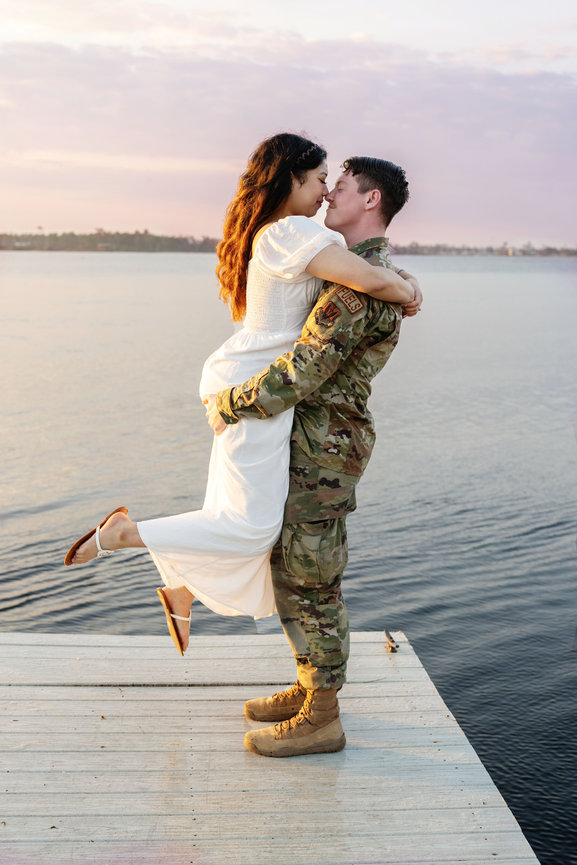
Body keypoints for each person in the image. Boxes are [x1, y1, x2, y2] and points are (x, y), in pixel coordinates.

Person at [63, 134, 417, 658]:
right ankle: (124, 533)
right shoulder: (291, 231)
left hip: (252, 382)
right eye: (321, 179)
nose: (324, 193)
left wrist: (402, 278)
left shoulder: (289, 233)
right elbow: (367, 278)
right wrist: (410, 291)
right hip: (253, 389)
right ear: (292, 178)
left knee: (237, 513)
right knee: (250, 527)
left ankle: (181, 583)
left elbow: (364, 278)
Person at [205, 155, 417, 757]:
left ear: (370, 201)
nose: (328, 197)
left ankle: (322, 715)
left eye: (342, 187)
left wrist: (230, 401)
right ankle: (309, 688)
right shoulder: (366, 273)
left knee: (312, 581)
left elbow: (303, 371)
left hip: (322, 449)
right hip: (321, 445)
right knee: (298, 573)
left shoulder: (353, 291)